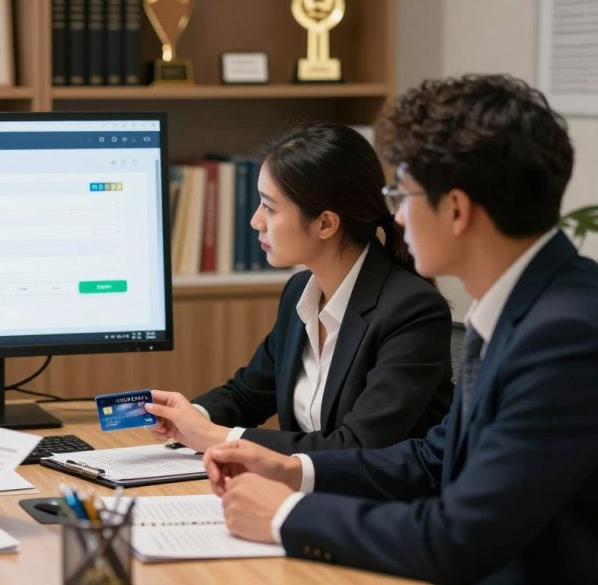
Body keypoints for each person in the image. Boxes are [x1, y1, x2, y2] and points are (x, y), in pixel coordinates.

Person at [202, 75, 598, 583]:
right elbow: (435, 460)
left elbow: (459, 537)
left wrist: (284, 515)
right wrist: (292, 470)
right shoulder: (518, 306)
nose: (395, 213)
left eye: (402, 193)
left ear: (456, 209)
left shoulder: (566, 334)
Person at [145, 123, 453, 454]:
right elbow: (248, 394)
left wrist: (217, 438)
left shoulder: (412, 310)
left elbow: (358, 446)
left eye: (269, 207)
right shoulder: (300, 291)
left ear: (325, 223)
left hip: (379, 501)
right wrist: (188, 417)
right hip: (306, 493)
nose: (255, 221)